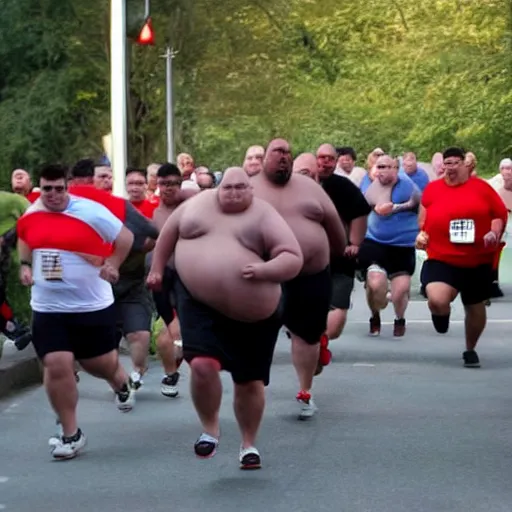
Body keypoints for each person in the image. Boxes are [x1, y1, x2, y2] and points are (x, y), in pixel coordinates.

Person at [147, 167, 303, 469]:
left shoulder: (264, 214)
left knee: (249, 381)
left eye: (240, 188)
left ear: (251, 190)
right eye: (227, 188)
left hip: (254, 312)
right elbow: (168, 236)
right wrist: (156, 269)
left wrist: (264, 270)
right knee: (202, 365)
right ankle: (210, 428)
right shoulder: (195, 205)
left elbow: (292, 257)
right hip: (197, 300)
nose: (233, 193)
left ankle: (248, 443)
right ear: (219, 188)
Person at [16, 164, 136, 460]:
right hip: (48, 306)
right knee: (57, 363)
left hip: (90, 304)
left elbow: (125, 238)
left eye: (59, 189)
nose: (53, 195)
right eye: (47, 189)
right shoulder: (32, 213)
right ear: (40, 189)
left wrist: (113, 265)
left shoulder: (90, 212)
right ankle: (71, 434)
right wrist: (25, 265)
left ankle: (120, 381)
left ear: (66, 187)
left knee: (99, 364)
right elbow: (24, 238)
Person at [251, 139, 347, 419]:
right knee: (259, 333)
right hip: (265, 276)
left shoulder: (310, 188)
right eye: (277, 152)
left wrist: (338, 254)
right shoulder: (248, 188)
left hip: (311, 274)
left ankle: (305, 391)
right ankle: (254, 385)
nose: (283, 157)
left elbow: (333, 225)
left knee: (307, 336)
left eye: (287, 153)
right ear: (264, 157)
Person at [416, 147, 508, 368]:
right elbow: (424, 213)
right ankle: (441, 316)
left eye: (456, 163)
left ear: (466, 165)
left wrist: (493, 233)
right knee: (437, 299)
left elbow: (498, 214)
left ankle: (470, 349)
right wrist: (421, 232)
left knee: (474, 306)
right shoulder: (433, 189)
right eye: (447, 163)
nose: (450, 168)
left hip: (476, 258)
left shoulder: (482, 189)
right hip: (441, 256)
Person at [316, 144, 371, 373]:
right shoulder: (299, 185)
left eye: (330, 158)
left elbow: (360, 211)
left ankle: (320, 343)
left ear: (336, 160)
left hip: (339, 259)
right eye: (321, 158)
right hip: (306, 261)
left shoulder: (344, 187)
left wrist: (355, 243)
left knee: (336, 320)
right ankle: (309, 341)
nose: (325, 162)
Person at [149, 163, 198, 397]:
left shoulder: (190, 203)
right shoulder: (153, 213)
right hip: (162, 277)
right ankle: (171, 372)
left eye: (174, 184)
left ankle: (179, 368)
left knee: (185, 329)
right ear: (157, 185)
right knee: (168, 329)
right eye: (164, 184)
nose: (169, 189)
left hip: (189, 275)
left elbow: (201, 194)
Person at [359, 154, 421, 337]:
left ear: (396, 169)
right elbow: (363, 206)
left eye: (387, 167)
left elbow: (418, 202)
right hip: (375, 241)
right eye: (380, 167)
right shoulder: (368, 183)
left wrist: (395, 207)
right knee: (376, 284)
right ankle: (375, 314)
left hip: (403, 244)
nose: (382, 171)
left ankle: (399, 318)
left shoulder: (407, 184)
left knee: (400, 291)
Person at [0, 191, 32, 349]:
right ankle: (15, 329)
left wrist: (6, 240)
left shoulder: (14, 201)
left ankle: (15, 329)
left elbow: (33, 225)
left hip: (13, 268)